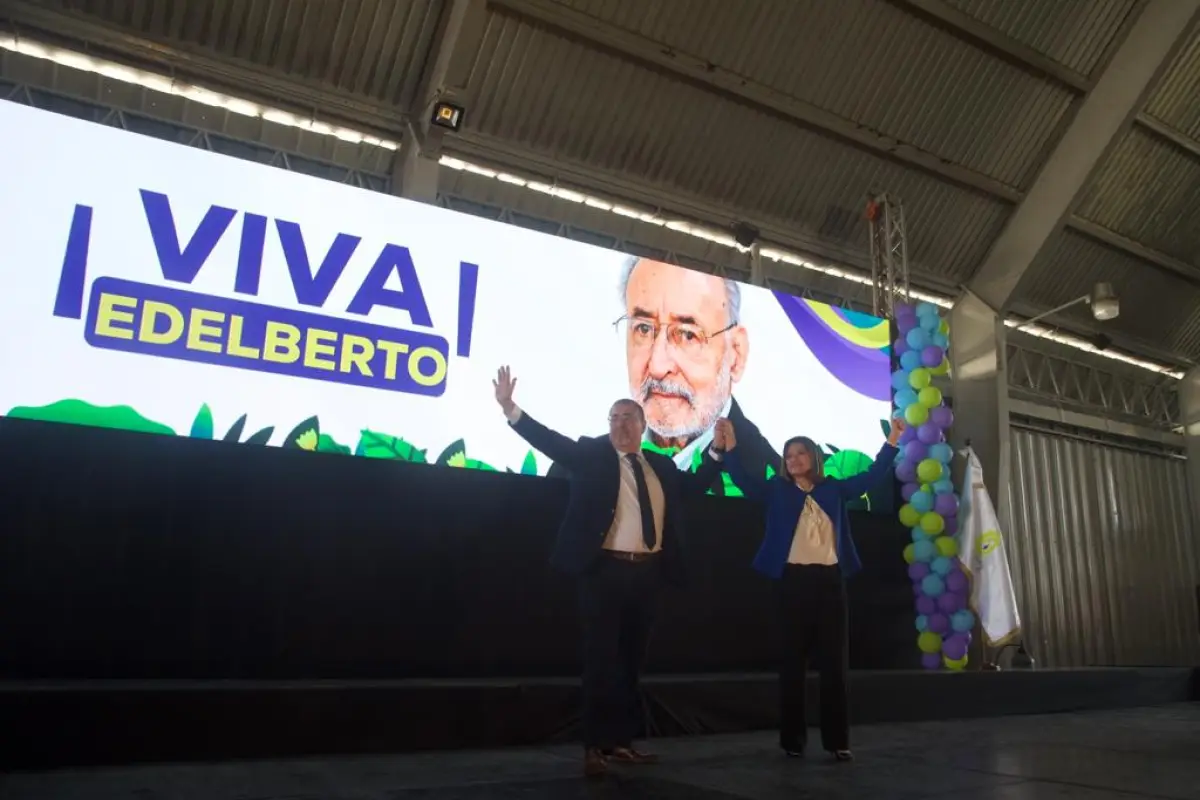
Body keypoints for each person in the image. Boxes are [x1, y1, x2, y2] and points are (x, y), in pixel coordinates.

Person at [493, 365, 726, 777]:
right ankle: (593, 748)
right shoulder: (590, 455)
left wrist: (717, 455)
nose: (619, 425)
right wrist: (512, 409)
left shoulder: (662, 466)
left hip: (648, 575)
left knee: (632, 662)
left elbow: (692, 489)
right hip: (603, 573)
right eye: (613, 419)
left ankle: (621, 743)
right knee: (601, 662)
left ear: (642, 424)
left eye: (627, 418)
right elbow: (551, 443)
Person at [714, 416, 905, 762]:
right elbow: (743, 481)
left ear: (814, 458)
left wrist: (892, 440)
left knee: (834, 665)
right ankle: (793, 741)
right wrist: (730, 447)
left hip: (830, 583)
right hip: (791, 583)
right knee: (792, 665)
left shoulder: (833, 488)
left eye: (801, 453)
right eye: (789, 456)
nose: (794, 460)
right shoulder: (776, 490)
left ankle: (837, 740)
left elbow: (872, 476)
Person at [548, 256, 777, 491]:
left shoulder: (773, 475)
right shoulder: (574, 468)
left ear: (736, 355)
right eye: (644, 329)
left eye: (688, 335)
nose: (657, 366)